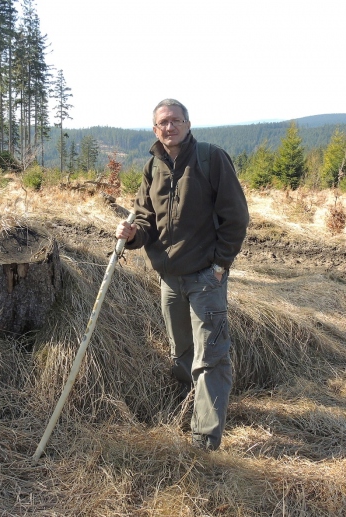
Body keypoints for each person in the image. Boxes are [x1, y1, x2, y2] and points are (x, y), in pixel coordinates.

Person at [116, 98, 249, 450]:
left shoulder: (211, 158)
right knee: (182, 353)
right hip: (170, 280)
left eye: (176, 121)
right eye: (163, 123)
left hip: (207, 278)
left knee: (212, 357)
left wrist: (220, 265)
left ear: (188, 124)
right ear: (154, 129)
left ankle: (204, 441)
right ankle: (192, 405)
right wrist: (133, 236)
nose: (169, 127)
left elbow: (237, 217)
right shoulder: (153, 168)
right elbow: (146, 220)